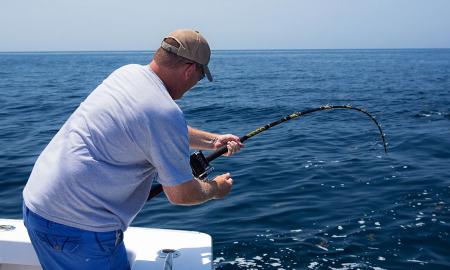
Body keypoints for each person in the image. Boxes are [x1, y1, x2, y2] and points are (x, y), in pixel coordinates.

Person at [22, 29, 243, 270]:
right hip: (80, 229)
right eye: (199, 78)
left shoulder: (127, 74)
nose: (195, 85)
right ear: (189, 70)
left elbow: (153, 128)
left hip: (38, 206)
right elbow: (181, 194)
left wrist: (213, 141)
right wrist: (216, 189)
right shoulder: (164, 112)